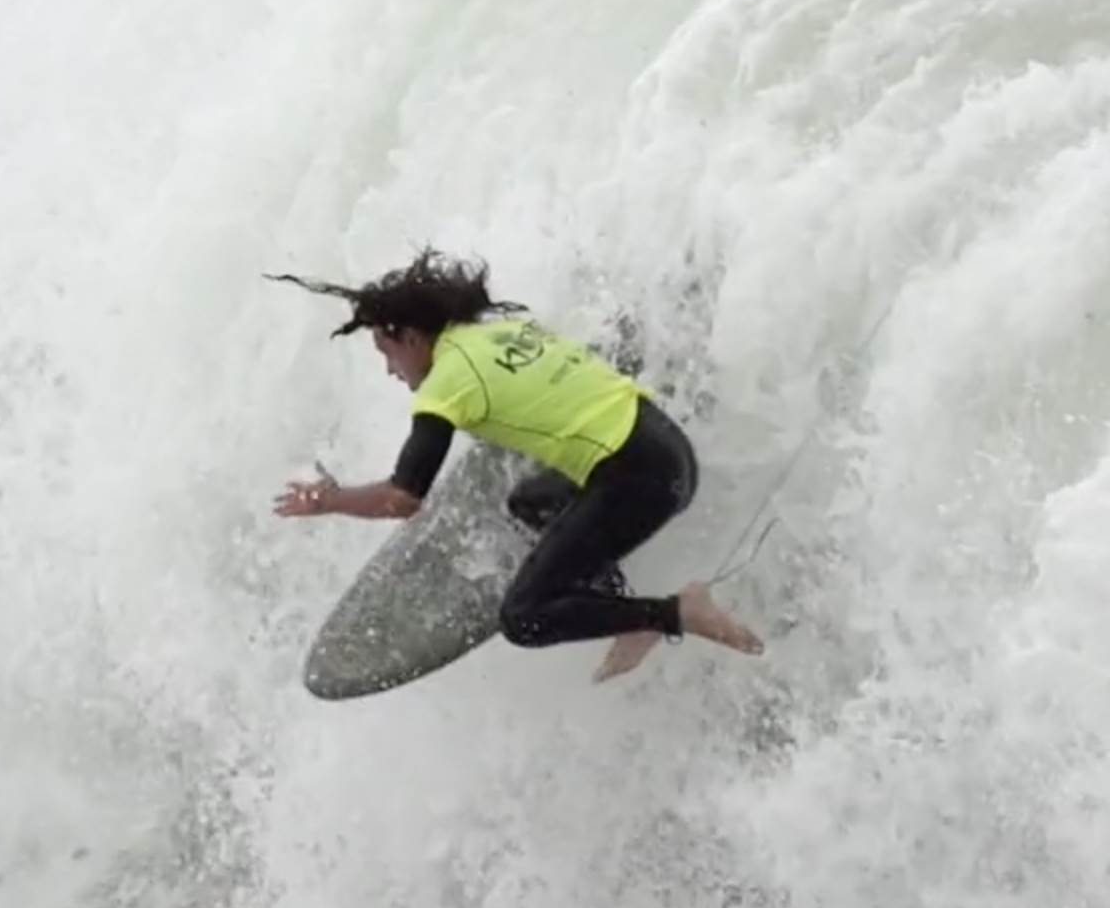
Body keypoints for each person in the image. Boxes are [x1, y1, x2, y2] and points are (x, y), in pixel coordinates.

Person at [268, 248, 763, 683]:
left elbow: (402, 499)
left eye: (388, 352)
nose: (389, 370)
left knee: (524, 617)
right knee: (530, 502)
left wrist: (329, 500)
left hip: (640, 481)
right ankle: (621, 613)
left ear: (413, 338)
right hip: (668, 450)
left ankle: (674, 613)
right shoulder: (497, 330)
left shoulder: (447, 386)